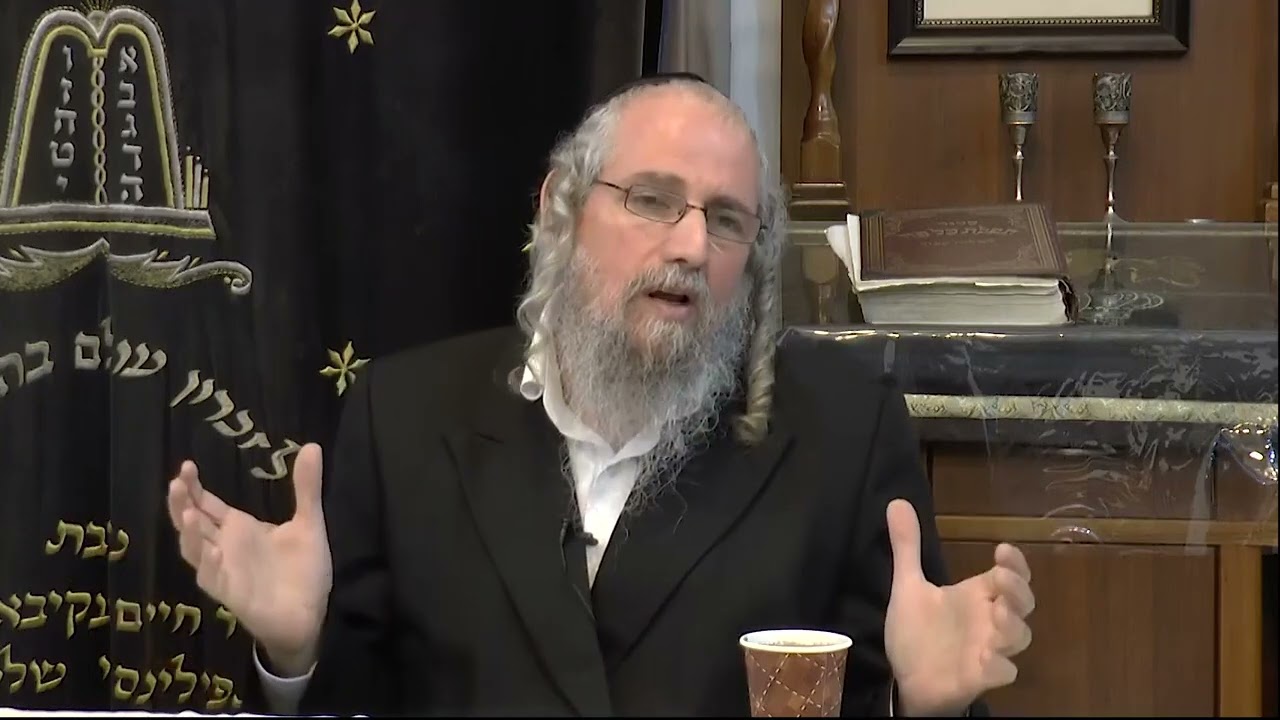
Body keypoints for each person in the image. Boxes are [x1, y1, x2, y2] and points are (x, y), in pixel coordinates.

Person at [166, 74, 1034, 716]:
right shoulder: (405, 419)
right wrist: (296, 652)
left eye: (727, 219)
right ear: (560, 208)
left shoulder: (843, 436)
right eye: (654, 200)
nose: (691, 245)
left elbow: (897, 684)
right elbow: (356, 701)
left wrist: (926, 707)